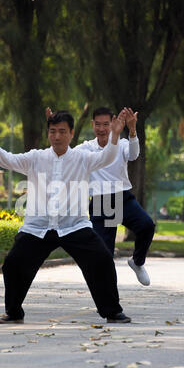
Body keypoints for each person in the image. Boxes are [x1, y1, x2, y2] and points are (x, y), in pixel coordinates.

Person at [0, 110, 132, 324]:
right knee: (13, 264)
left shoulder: (82, 158)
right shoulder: (36, 157)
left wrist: (115, 136)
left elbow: (107, 157)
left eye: (62, 131)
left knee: (101, 260)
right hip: (39, 227)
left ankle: (112, 311)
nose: (57, 136)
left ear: (71, 133)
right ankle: (14, 312)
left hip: (74, 225)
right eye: (53, 131)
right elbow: (7, 159)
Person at [46, 106, 155, 286]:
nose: (102, 129)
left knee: (147, 226)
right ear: (92, 125)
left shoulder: (122, 144)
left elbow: (134, 155)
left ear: (113, 123)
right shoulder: (85, 148)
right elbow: (63, 153)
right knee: (103, 254)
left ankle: (137, 262)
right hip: (100, 203)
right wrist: (54, 125)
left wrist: (133, 129)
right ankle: (108, 301)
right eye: (98, 124)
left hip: (123, 198)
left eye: (106, 124)